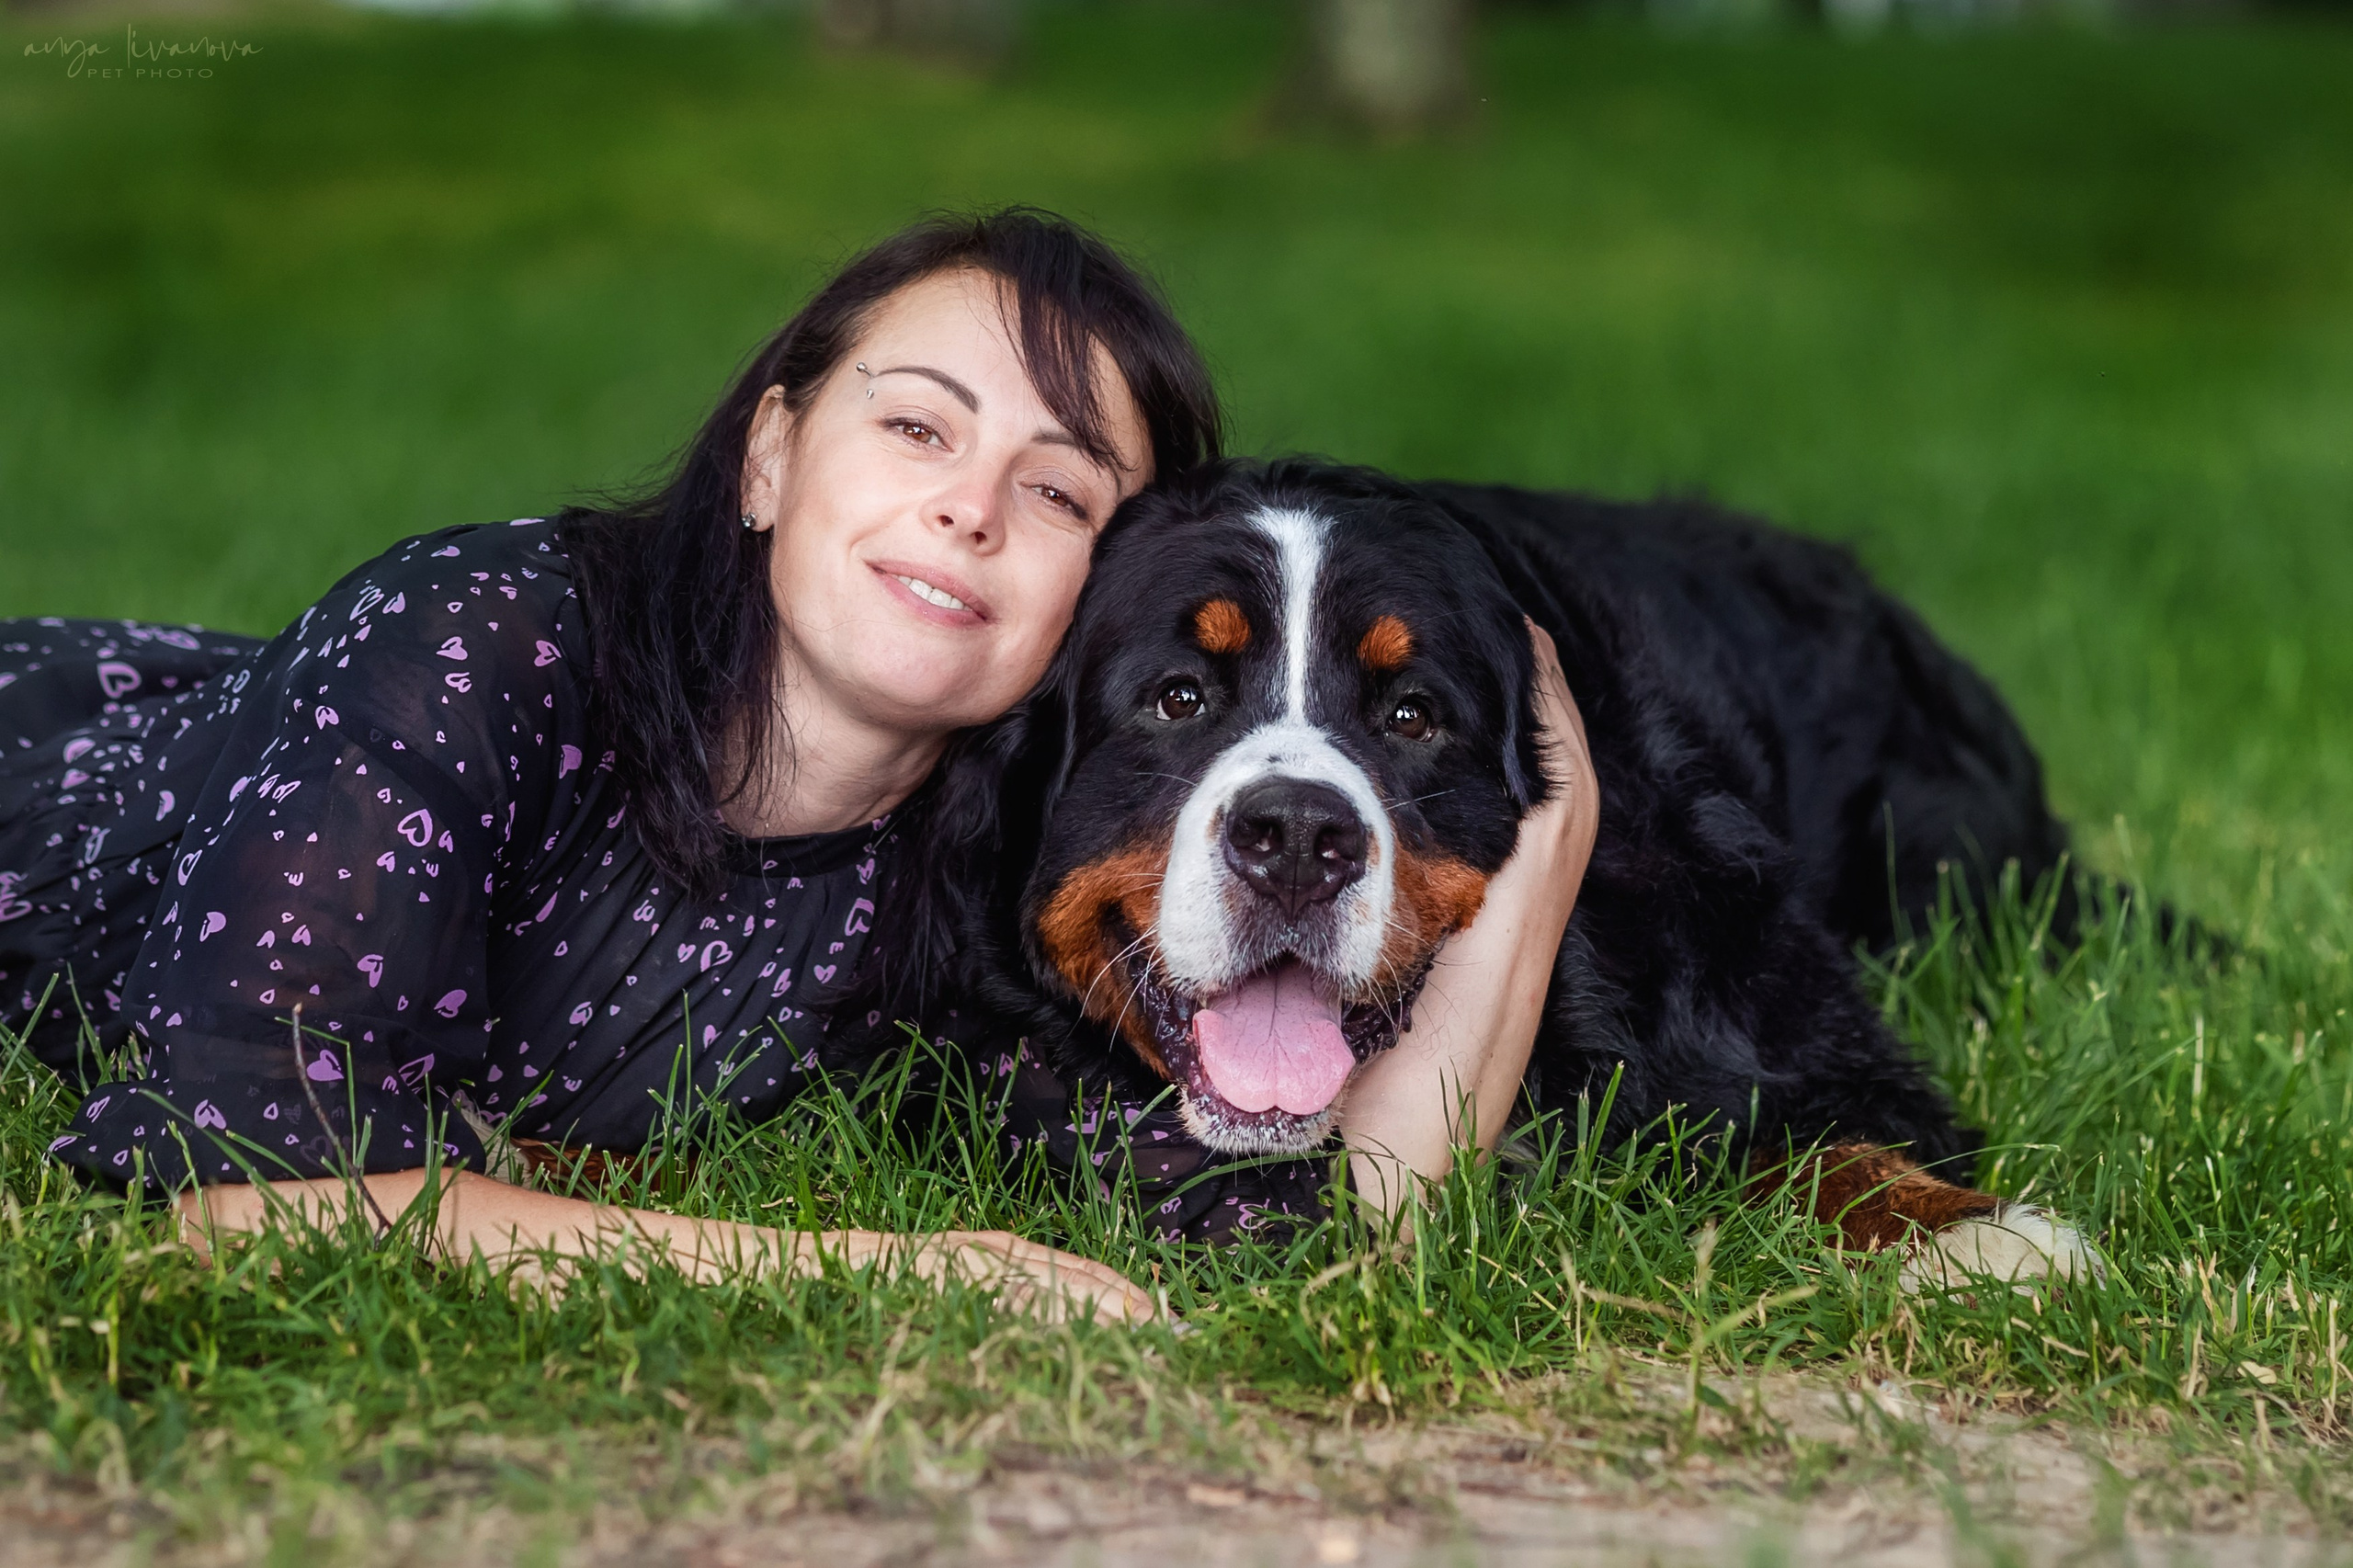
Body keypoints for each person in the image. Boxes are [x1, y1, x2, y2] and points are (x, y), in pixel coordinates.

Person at [2, 210, 1596, 1323]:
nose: (970, 507)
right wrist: (892, 1268)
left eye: (1056, 492)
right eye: (917, 428)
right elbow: (229, 1199)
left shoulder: (994, 863)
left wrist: (1551, 834)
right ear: (771, 454)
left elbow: (1334, 1242)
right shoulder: (473, 644)